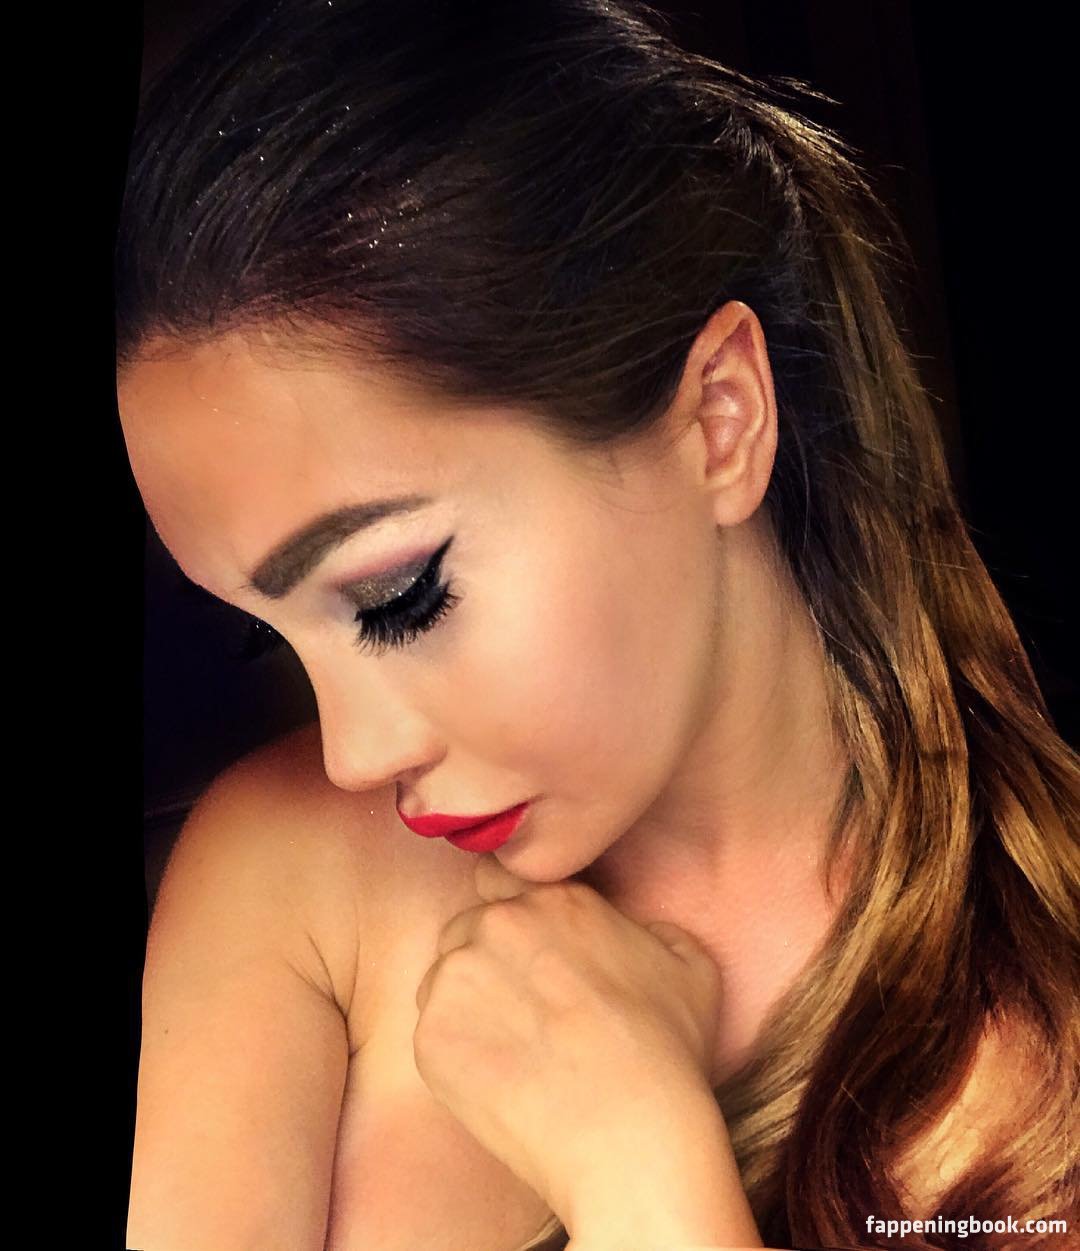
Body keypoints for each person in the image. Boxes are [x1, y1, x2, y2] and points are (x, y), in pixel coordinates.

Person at [115, 1, 1079, 1248]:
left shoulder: (1045, 1036)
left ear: (719, 417)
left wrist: (639, 1161)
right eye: (267, 629)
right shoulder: (288, 877)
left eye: (399, 596)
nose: (354, 755)